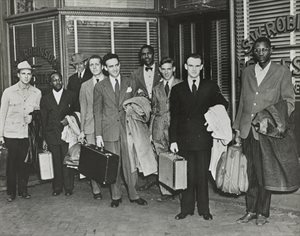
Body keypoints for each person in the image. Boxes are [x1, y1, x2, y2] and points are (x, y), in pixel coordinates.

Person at [233, 37, 295, 226]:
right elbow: (243, 101)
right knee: (250, 173)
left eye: (264, 50)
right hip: (246, 131)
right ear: (253, 52)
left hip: (266, 132)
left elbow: (289, 102)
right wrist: (236, 128)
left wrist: (269, 119)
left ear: (271, 50)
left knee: (264, 174)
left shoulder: (281, 72)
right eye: (257, 50)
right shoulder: (247, 72)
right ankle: (250, 210)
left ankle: (263, 213)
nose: (261, 53)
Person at [169, 53, 228, 220]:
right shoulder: (177, 89)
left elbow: (224, 104)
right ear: (185, 67)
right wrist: (173, 140)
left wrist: (213, 117)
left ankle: (204, 210)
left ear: (201, 67)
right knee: (186, 175)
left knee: (202, 175)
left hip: (203, 138)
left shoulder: (210, 86)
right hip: (184, 139)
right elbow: (174, 117)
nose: (194, 69)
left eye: (197, 66)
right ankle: (186, 209)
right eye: (191, 65)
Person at [93, 53, 147, 208]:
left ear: (120, 64)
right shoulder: (100, 86)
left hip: (128, 128)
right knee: (114, 165)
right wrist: (98, 134)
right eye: (110, 66)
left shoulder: (130, 81)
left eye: (116, 65)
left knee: (130, 163)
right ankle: (115, 196)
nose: (114, 68)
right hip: (109, 130)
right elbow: (97, 112)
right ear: (105, 68)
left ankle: (134, 194)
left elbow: (140, 100)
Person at [0, 61, 41, 202]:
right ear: (18, 75)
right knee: (12, 163)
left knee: (25, 163)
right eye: (23, 73)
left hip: (26, 134)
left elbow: (38, 112)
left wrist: (33, 116)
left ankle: (23, 190)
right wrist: (0, 135)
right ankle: (11, 192)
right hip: (11, 133)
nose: (26, 76)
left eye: (29, 74)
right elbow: (2, 114)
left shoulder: (37, 93)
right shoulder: (8, 92)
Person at [40, 71, 77, 197]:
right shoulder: (45, 98)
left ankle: (68, 187)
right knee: (56, 161)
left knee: (67, 161)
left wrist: (69, 120)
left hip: (67, 134)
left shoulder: (71, 95)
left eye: (59, 79)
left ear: (63, 81)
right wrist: (44, 138)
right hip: (52, 135)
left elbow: (76, 112)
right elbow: (43, 120)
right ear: (50, 83)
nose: (58, 82)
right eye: (54, 80)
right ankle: (57, 187)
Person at [150, 57, 182, 201]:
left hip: (176, 127)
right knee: (162, 159)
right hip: (159, 127)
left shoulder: (181, 84)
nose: (166, 72)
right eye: (163, 69)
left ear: (173, 69)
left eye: (169, 69)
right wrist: (151, 131)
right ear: (160, 70)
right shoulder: (156, 88)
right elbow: (154, 110)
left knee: (179, 158)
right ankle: (166, 191)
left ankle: (181, 189)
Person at [78, 55, 105, 200]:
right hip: (90, 126)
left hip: (106, 126)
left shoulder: (109, 81)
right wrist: (82, 129)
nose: (94, 67)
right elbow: (83, 109)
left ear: (102, 66)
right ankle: (95, 188)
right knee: (92, 158)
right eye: (91, 65)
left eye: (97, 64)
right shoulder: (85, 86)